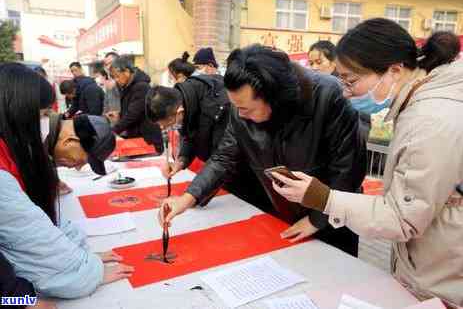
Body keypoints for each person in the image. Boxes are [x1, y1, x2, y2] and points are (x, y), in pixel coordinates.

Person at [270, 18, 463, 307]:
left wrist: (324, 199)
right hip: (433, 261)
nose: (347, 92)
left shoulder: (431, 120)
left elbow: (403, 217)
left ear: (394, 70)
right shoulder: (422, 104)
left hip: (443, 274)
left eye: (351, 80)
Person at [158, 44, 367, 256]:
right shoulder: (241, 110)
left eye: (246, 108)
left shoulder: (327, 96)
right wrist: (187, 198)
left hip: (333, 220)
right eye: (236, 107)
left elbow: (348, 169)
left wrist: (316, 220)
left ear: (274, 97)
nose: (239, 114)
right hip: (286, 214)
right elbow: (224, 157)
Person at [0, 63, 134, 299]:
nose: (47, 121)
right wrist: (18, 299)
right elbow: (30, 235)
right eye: (42, 114)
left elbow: (40, 220)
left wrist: (80, 254)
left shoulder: (18, 149)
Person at [147, 77, 270, 211]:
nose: (169, 129)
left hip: (247, 174)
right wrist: (181, 160)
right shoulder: (186, 98)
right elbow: (190, 133)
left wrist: (189, 198)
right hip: (222, 170)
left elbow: (223, 158)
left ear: (179, 112)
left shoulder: (219, 107)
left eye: (169, 125)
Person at [106, 57, 163, 153]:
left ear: (127, 71)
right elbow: (133, 108)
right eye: (114, 77)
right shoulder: (128, 86)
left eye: (117, 76)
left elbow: (133, 114)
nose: (116, 80)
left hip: (147, 139)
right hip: (136, 137)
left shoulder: (141, 86)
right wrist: (119, 115)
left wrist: (113, 131)